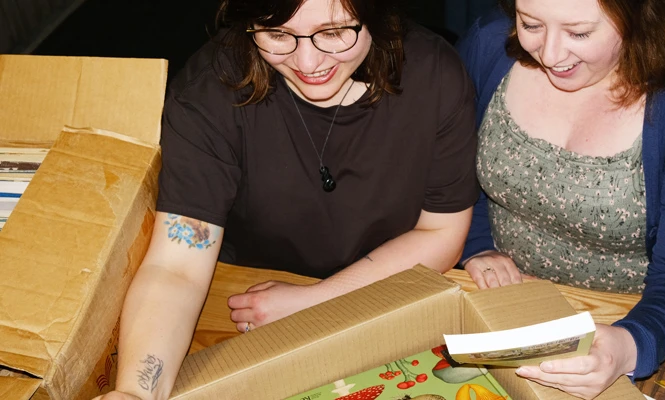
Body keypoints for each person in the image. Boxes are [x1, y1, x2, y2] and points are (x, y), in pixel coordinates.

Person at [95, 0, 478, 398]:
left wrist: (316, 302)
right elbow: (176, 266)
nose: (308, 62)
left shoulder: (435, 73)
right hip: (248, 298)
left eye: (332, 33)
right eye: (277, 35)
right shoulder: (208, 91)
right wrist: (135, 393)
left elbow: (441, 232)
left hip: (385, 289)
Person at [456, 0, 665, 397]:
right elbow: (448, 171)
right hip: (504, 301)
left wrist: (628, 345)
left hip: (641, 318)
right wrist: (478, 244)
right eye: (531, 23)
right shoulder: (490, 41)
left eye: (579, 33)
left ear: (642, 15)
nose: (550, 53)